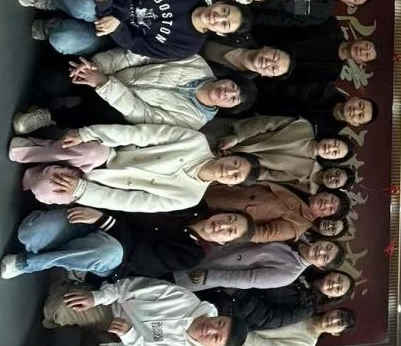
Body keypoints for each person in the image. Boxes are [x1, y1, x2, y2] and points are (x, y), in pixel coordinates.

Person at [10, 272, 249, 346]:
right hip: (112, 311)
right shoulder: (185, 300)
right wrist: (97, 297)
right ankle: (71, 291)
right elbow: (130, 287)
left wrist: (131, 338)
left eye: (216, 337)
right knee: (57, 307)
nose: (211, 329)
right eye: (219, 323)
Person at [9, 122, 260, 213]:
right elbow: (140, 134)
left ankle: (43, 171)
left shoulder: (190, 197)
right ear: (229, 155)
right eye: (235, 164)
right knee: (89, 150)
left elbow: (131, 202)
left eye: (235, 176)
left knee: (44, 187)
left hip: (101, 185)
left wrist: (82, 190)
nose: (229, 171)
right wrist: (89, 133)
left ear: (230, 185)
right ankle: (35, 149)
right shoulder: (195, 141)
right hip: (110, 155)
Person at [20, 0, 251, 60]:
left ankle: (54, 25)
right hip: (111, 2)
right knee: (82, 6)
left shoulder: (188, 46)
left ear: (221, 33)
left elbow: (138, 46)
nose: (218, 18)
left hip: (111, 36)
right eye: (225, 11)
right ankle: (51, 2)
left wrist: (116, 27)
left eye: (225, 24)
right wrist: (115, 13)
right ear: (221, 3)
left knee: (64, 40)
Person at [14, 52, 257, 134]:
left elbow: (142, 114)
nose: (227, 93)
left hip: (117, 105)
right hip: (113, 71)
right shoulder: (196, 63)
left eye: (233, 99)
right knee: (49, 80)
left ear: (228, 108)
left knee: (108, 118)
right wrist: (97, 67)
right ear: (229, 79)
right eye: (233, 87)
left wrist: (103, 84)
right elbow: (140, 55)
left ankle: (49, 116)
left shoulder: (194, 121)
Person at [1, 207, 256, 282]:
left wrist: (105, 221)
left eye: (230, 231)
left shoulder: (193, 254)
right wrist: (101, 215)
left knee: (108, 253)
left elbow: (139, 256)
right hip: (100, 216)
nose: (222, 225)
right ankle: (69, 254)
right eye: (229, 219)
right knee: (29, 234)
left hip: (115, 253)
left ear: (223, 241)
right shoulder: (193, 207)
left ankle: (28, 263)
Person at [217, 115, 352, 193]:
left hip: (233, 166)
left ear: (331, 160)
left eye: (335, 153)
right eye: (335, 143)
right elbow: (266, 123)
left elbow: (267, 174)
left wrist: (238, 174)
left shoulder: (305, 170)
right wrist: (237, 137)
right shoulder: (303, 126)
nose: (330, 148)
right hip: (233, 134)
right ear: (331, 137)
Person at [174, 236, 345, 291]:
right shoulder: (297, 235)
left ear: (320, 267)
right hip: (210, 245)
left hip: (208, 268)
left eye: (325, 257)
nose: (321, 251)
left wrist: (210, 277)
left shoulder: (289, 274)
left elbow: (248, 280)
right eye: (327, 246)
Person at [206, 179, 349, 242]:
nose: (326, 203)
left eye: (330, 209)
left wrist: (228, 231)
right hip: (225, 188)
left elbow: (260, 235)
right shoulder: (302, 187)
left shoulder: (298, 225)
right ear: (326, 192)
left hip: (221, 214)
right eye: (331, 199)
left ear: (325, 216)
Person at [212, 269, 355, 329]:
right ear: (333, 272)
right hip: (233, 275)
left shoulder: (306, 309)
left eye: (338, 289)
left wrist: (238, 291)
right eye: (339, 279)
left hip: (230, 303)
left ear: (332, 297)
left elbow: (268, 318)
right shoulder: (304, 269)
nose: (334, 284)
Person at [236, 306, 355, 346]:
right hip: (239, 312)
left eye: (339, 324)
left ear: (335, 333)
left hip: (235, 338)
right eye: (338, 314)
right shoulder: (306, 308)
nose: (334, 319)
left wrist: (235, 330)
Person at [202, 41, 293, 80]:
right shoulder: (238, 31)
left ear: (268, 75)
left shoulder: (236, 82)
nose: (268, 62)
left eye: (273, 69)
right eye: (274, 56)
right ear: (268, 47)